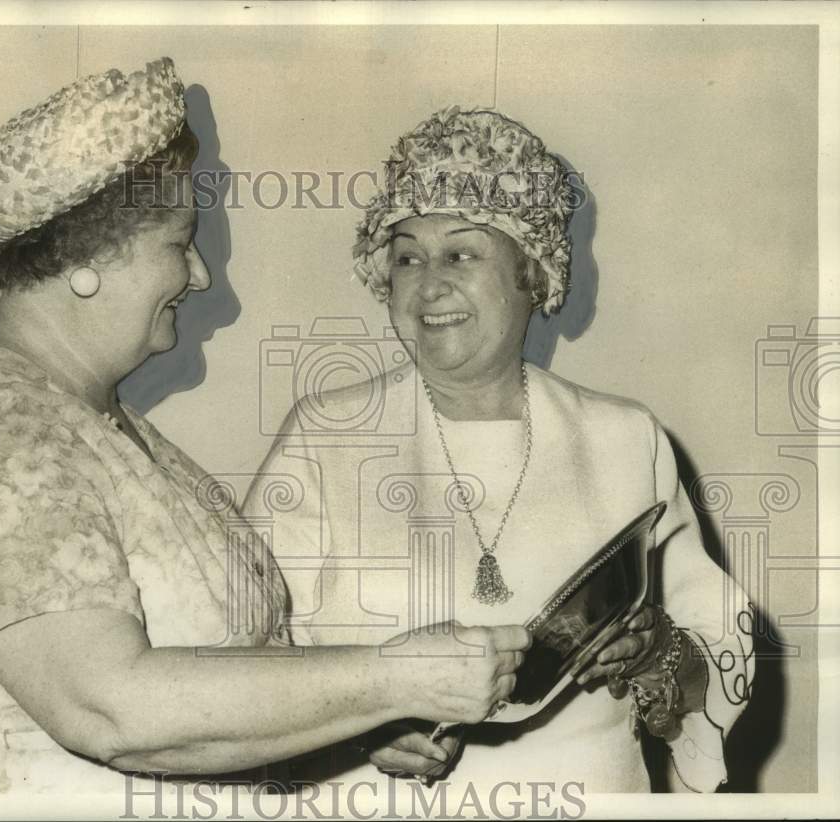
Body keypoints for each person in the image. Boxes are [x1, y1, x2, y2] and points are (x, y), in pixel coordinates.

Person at [0, 62, 530, 794]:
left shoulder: (86, 416)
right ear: (87, 261)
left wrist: (353, 723)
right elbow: (109, 708)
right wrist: (396, 680)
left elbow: (196, 683)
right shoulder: (0, 433)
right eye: (180, 243)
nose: (202, 275)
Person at [245, 106, 755, 794]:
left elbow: (717, 654)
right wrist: (361, 722)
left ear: (533, 273)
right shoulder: (326, 433)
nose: (429, 285)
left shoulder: (625, 437)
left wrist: (656, 652)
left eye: (461, 252)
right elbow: (244, 654)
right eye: (406, 257)